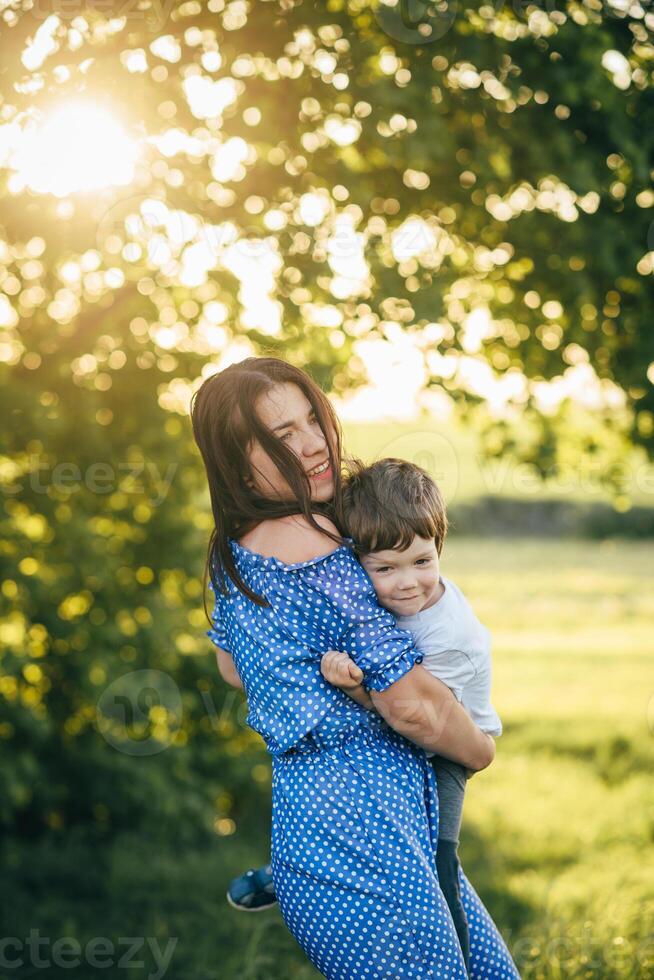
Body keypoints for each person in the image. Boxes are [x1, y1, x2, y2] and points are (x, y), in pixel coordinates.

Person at [191, 356, 520, 979]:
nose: (313, 444)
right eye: (281, 436)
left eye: (312, 418)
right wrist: (477, 749)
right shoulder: (324, 552)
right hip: (368, 831)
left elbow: (233, 670)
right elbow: (409, 705)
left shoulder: (232, 554)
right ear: (237, 463)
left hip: (313, 827)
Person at [318, 456, 504, 974]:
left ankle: (460, 965)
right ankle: (296, 872)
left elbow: (412, 717)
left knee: (440, 865)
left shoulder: (448, 635)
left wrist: (352, 685)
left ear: (439, 548)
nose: (407, 583)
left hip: (450, 750)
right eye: (384, 568)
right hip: (415, 735)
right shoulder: (388, 604)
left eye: (423, 562)